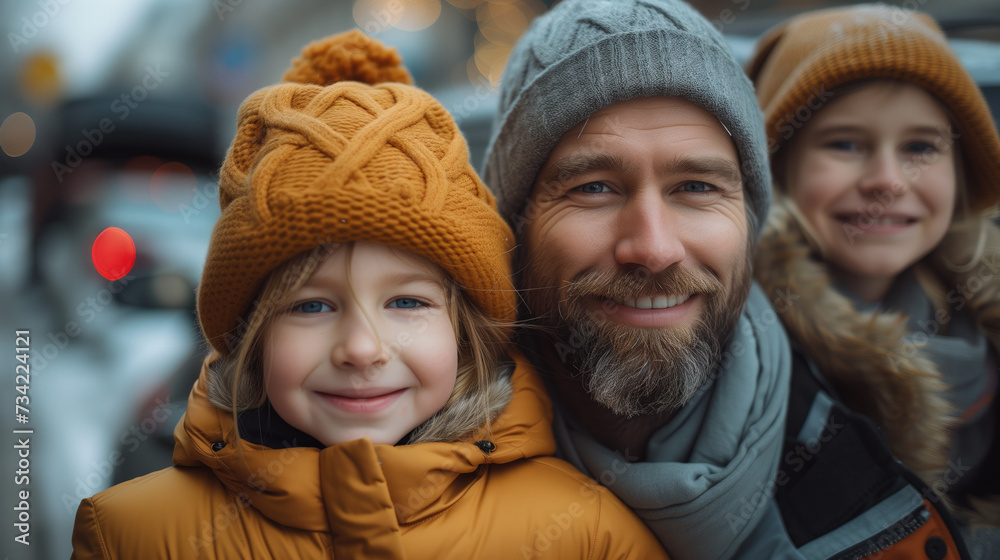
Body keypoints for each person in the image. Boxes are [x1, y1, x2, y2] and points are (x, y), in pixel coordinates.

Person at [69, 30, 667, 559]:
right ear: (252, 332)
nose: (362, 348)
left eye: (407, 302)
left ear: (465, 331)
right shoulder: (131, 536)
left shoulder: (586, 537)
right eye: (310, 305)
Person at [484, 0, 974, 558]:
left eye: (696, 186)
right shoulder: (406, 456)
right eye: (593, 187)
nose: (654, 248)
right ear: (514, 226)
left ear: (750, 221)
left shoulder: (858, 453)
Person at [746, 4, 1000, 556]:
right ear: (775, 169)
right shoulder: (743, 357)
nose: (887, 181)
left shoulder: (981, 326)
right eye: (844, 144)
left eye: (919, 147)